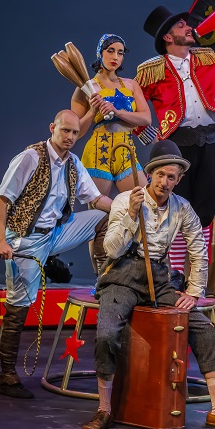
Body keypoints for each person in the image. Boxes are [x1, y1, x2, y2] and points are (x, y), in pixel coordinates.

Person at [81, 140, 215, 429]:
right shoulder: (126, 199)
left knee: (208, 332)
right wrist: (131, 215)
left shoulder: (182, 208)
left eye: (171, 176)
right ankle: (104, 409)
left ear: (179, 179)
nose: (165, 181)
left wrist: (193, 291)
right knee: (108, 334)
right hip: (123, 273)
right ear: (150, 174)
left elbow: (198, 250)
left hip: (158, 278)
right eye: (160, 174)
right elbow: (111, 250)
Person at [0, 110, 112, 399]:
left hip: (56, 233)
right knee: (18, 304)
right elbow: (1, 199)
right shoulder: (30, 158)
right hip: (26, 239)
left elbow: (95, 199)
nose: (70, 137)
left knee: (103, 217)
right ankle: (7, 375)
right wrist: (0, 240)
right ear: (53, 129)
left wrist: (130, 206)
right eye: (66, 131)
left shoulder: (73, 164)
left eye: (74, 133)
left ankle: (105, 281)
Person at [136, 6, 215, 275]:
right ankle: (176, 273)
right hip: (177, 145)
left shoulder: (208, 59)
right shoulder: (151, 71)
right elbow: (133, 109)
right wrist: (152, 139)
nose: (188, 27)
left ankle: (198, 275)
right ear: (168, 37)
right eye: (181, 26)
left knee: (204, 209)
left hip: (212, 141)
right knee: (175, 207)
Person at [71, 34, 150, 275]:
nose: (115, 57)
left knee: (144, 204)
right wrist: (92, 110)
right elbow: (77, 131)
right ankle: (101, 274)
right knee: (97, 215)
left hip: (126, 148)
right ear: (100, 53)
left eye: (120, 52)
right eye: (110, 51)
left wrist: (116, 110)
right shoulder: (86, 88)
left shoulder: (131, 85)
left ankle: (137, 268)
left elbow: (146, 118)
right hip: (98, 150)